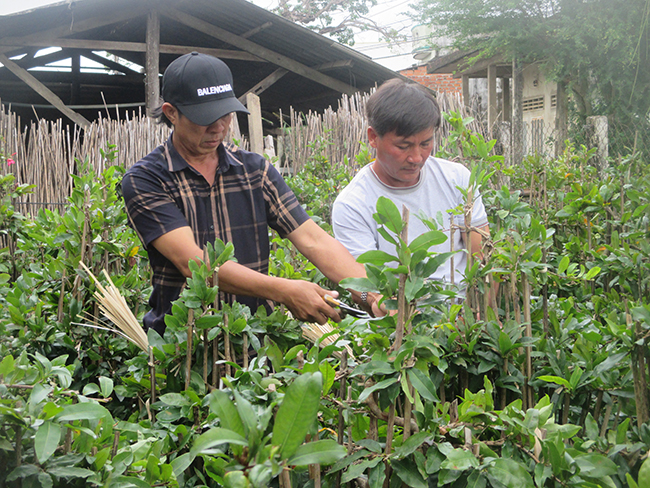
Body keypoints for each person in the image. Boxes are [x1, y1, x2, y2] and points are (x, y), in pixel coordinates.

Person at [122, 52, 378, 335]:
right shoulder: (146, 179)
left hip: (253, 343)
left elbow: (313, 239)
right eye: (205, 117)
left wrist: (370, 295)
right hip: (182, 343)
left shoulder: (254, 171)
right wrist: (284, 290)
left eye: (226, 115)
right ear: (171, 113)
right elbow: (194, 263)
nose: (219, 127)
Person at [332, 79, 489, 292]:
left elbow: (482, 258)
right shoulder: (353, 204)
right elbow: (369, 287)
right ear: (373, 137)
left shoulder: (457, 179)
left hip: (461, 316)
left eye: (425, 144)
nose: (416, 158)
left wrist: (478, 316)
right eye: (403, 146)